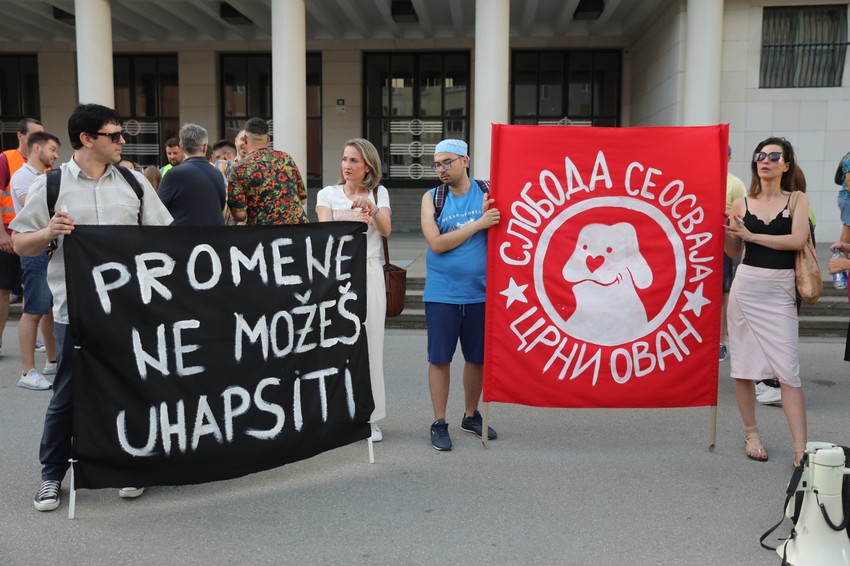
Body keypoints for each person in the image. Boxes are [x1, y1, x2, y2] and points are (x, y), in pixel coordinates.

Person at [10, 103, 173, 512]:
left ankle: (129, 464)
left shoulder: (135, 183)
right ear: (87, 139)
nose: (122, 142)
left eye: (122, 136)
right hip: (74, 309)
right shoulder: (50, 185)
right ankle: (51, 476)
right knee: (68, 394)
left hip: (129, 308)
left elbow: (165, 239)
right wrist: (49, 231)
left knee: (131, 386)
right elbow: (19, 242)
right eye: (114, 135)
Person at [724, 136, 808, 467]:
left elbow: (797, 240)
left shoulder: (797, 199)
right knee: (742, 366)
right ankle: (751, 433)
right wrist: (727, 233)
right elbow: (734, 252)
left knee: (788, 370)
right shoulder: (741, 203)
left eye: (775, 156)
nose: (766, 160)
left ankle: (800, 448)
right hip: (746, 287)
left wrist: (752, 236)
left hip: (781, 289)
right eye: (761, 155)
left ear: (786, 165)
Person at [419, 139, 500, 451]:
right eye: (437, 164)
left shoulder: (488, 191)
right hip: (442, 293)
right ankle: (439, 422)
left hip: (481, 293)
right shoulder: (432, 198)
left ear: (465, 160)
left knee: (477, 359)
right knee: (439, 359)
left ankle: (470, 415)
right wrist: (479, 224)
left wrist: (489, 218)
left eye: (447, 162)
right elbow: (436, 243)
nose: (441, 169)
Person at [316, 139, 391, 442]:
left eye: (354, 161)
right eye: (344, 159)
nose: (346, 166)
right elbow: (323, 234)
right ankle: (337, 414)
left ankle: (371, 416)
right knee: (335, 346)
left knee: (371, 344)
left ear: (368, 167)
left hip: (370, 271)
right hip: (337, 276)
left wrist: (371, 210)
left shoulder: (378, 193)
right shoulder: (327, 194)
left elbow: (386, 229)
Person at [9, 131, 61, 390]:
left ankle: (53, 361)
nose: (56, 155)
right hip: (33, 249)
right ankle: (27, 371)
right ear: (36, 148)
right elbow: (31, 204)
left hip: (47, 248)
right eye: (53, 149)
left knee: (48, 309)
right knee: (33, 310)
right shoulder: (22, 176)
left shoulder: (44, 177)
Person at [0, 117, 44, 357]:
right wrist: (1, 235)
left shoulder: (44, 164)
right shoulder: (6, 159)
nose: (39, 139)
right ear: (20, 136)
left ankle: (35, 338)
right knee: (3, 290)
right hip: (7, 235)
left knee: (33, 288)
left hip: (33, 237)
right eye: (34, 134)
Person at [227, 117, 308, 225]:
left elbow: (240, 215)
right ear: (268, 139)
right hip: (297, 230)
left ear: (246, 139)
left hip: (264, 235)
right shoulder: (285, 158)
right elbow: (302, 200)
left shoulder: (239, 168)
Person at [156, 123, 226, 226]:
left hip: (183, 239)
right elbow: (221, 206)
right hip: (213, 239)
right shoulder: (218, 174)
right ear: (205, 147)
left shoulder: (173, 174)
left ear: (181, 147)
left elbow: (157, 210)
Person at [720, 146, 746, 362]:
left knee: (723, 293)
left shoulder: (735, 183)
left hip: (724, 246)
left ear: (729, 157)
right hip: (698, 246)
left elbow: (745, 214)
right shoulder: (700, 178)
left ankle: (721, 341)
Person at [837, 150, 850, 246]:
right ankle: (843, 258)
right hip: (847, 196)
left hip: (846, 196)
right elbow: (849, 179)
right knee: (848, 226)